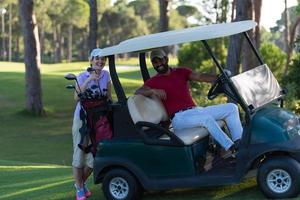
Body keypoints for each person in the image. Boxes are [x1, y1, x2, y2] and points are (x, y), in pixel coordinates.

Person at [135, 49, 243, 153]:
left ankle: (240, 143)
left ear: (166, 59)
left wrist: (218, 77)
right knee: (206, 119)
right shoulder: (153, 81)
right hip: (179, 118)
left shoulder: (181, 72)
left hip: (195, 111)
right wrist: (153, 91)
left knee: (231, 108)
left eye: (160, 60)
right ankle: (232, 148)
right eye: (155, 62)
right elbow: (138, 92)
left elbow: (199, 76)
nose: (158, 64)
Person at [71, 48, 112, 200]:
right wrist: (90, 79)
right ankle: (80, 189)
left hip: (99, 119)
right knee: (79, 152)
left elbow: (109, 96)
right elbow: (76, 97)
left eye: (103, 59)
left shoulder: (106, 75)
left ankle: (80, 184)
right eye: (97, 59)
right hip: (82, 119)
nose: (100, 61)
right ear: (91, 60)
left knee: (97, 153)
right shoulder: (82, 76)